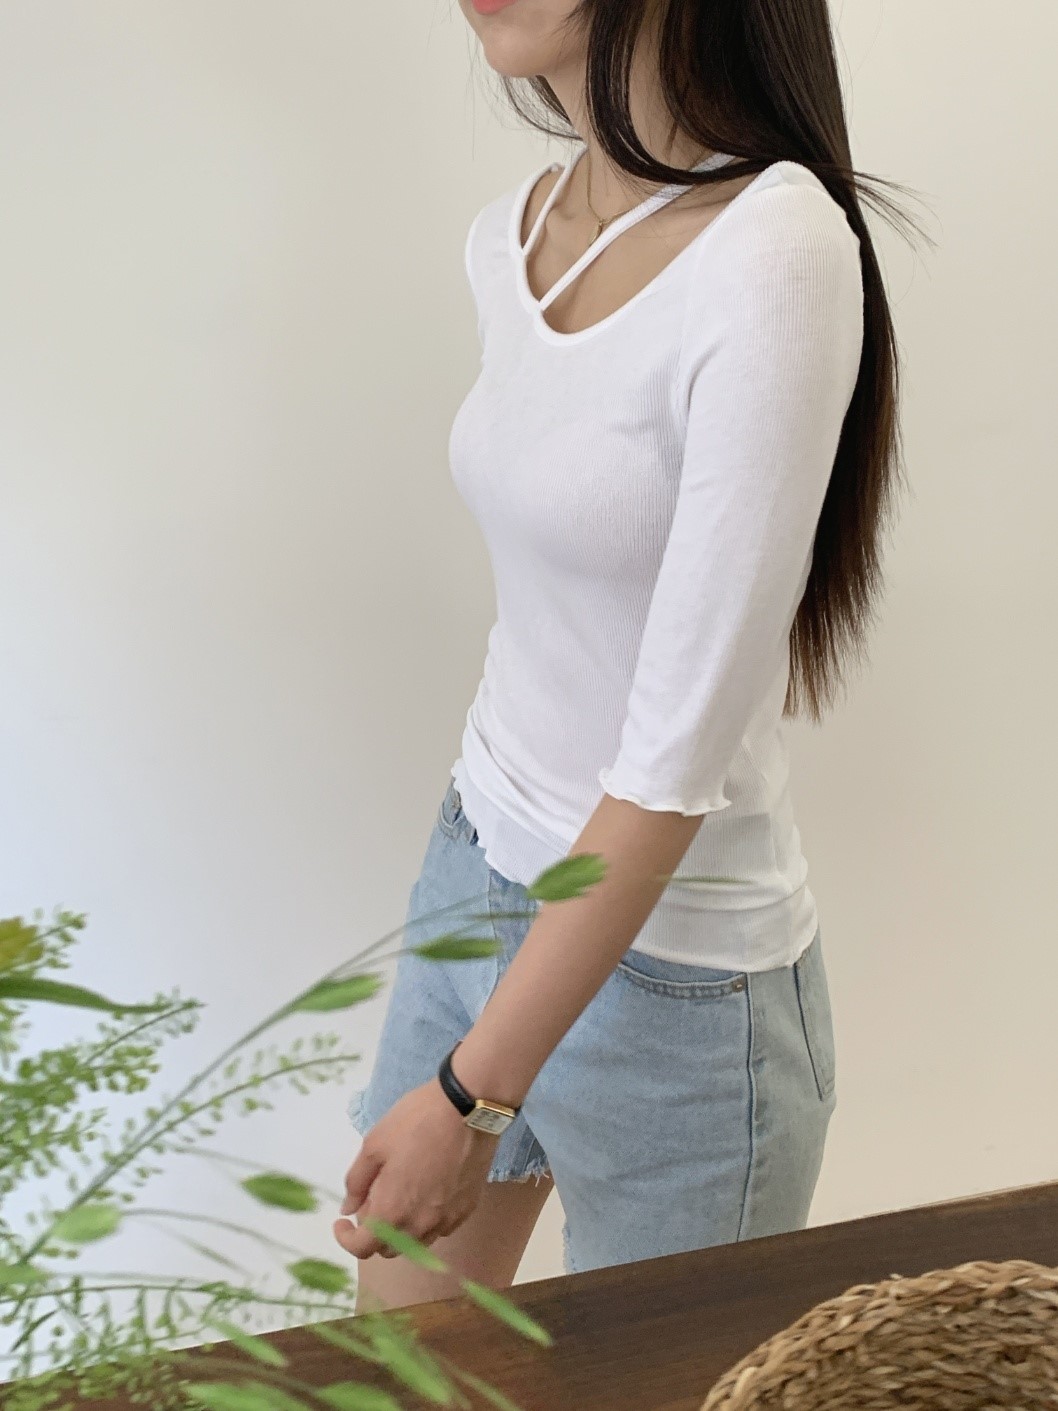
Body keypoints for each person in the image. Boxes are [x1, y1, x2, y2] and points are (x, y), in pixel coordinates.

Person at [335, 0, 914, 1311]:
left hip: (679, 987)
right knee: (395, 1378)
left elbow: (669, 765)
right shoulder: (511, 236)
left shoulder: (774, 247)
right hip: (477, 872)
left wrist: (470, 1096)